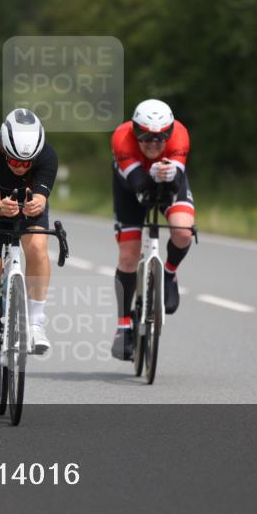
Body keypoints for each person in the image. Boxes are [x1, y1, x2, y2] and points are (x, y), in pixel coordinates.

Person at [0, 108, 58, 375]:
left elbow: (40, 198)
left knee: (38, 247)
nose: (19, 167)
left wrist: (36, 205)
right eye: (14, 160)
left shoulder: (48, 155)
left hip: (26, 206)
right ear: (4, 148)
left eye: (26, 163)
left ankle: (36, 323)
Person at [109, 99, 195, 361]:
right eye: (144, 136)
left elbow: (177, 181)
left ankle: (169, 273)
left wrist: (169, 176)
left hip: (169, 182)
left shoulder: (180, 135)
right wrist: (152, 176)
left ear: (170, 132)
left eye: (160, 138)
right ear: (134, 130)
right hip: (130, 188)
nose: (153, 143)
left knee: (182, 231)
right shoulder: (122, 138)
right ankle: (124, 325)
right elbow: (138, 186)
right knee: (128, 255)